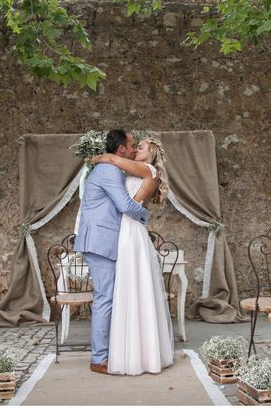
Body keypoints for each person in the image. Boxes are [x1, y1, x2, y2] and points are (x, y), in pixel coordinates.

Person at [90, 137, 174, 375]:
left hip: (130, 230)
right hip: (125, 229)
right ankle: (133, 350)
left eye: (141, 147)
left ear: (152, 153)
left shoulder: (147, 169)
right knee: (130, 290)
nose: (136, 149)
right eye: (135, 146)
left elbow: (114, 158)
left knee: (132, 288)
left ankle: (137, 353)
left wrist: (96, 158)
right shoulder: (138, 171)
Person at [73, 129, 149, 375]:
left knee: (110, 298)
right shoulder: (108, 170)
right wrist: (145, 218)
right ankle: (99, 359)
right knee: (105, 299)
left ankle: (110, 352)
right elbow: (125, 205)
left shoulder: (112, 168)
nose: (135, 148)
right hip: (100, 241)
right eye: (132, 145)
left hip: (103, 240)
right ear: (121, 150)